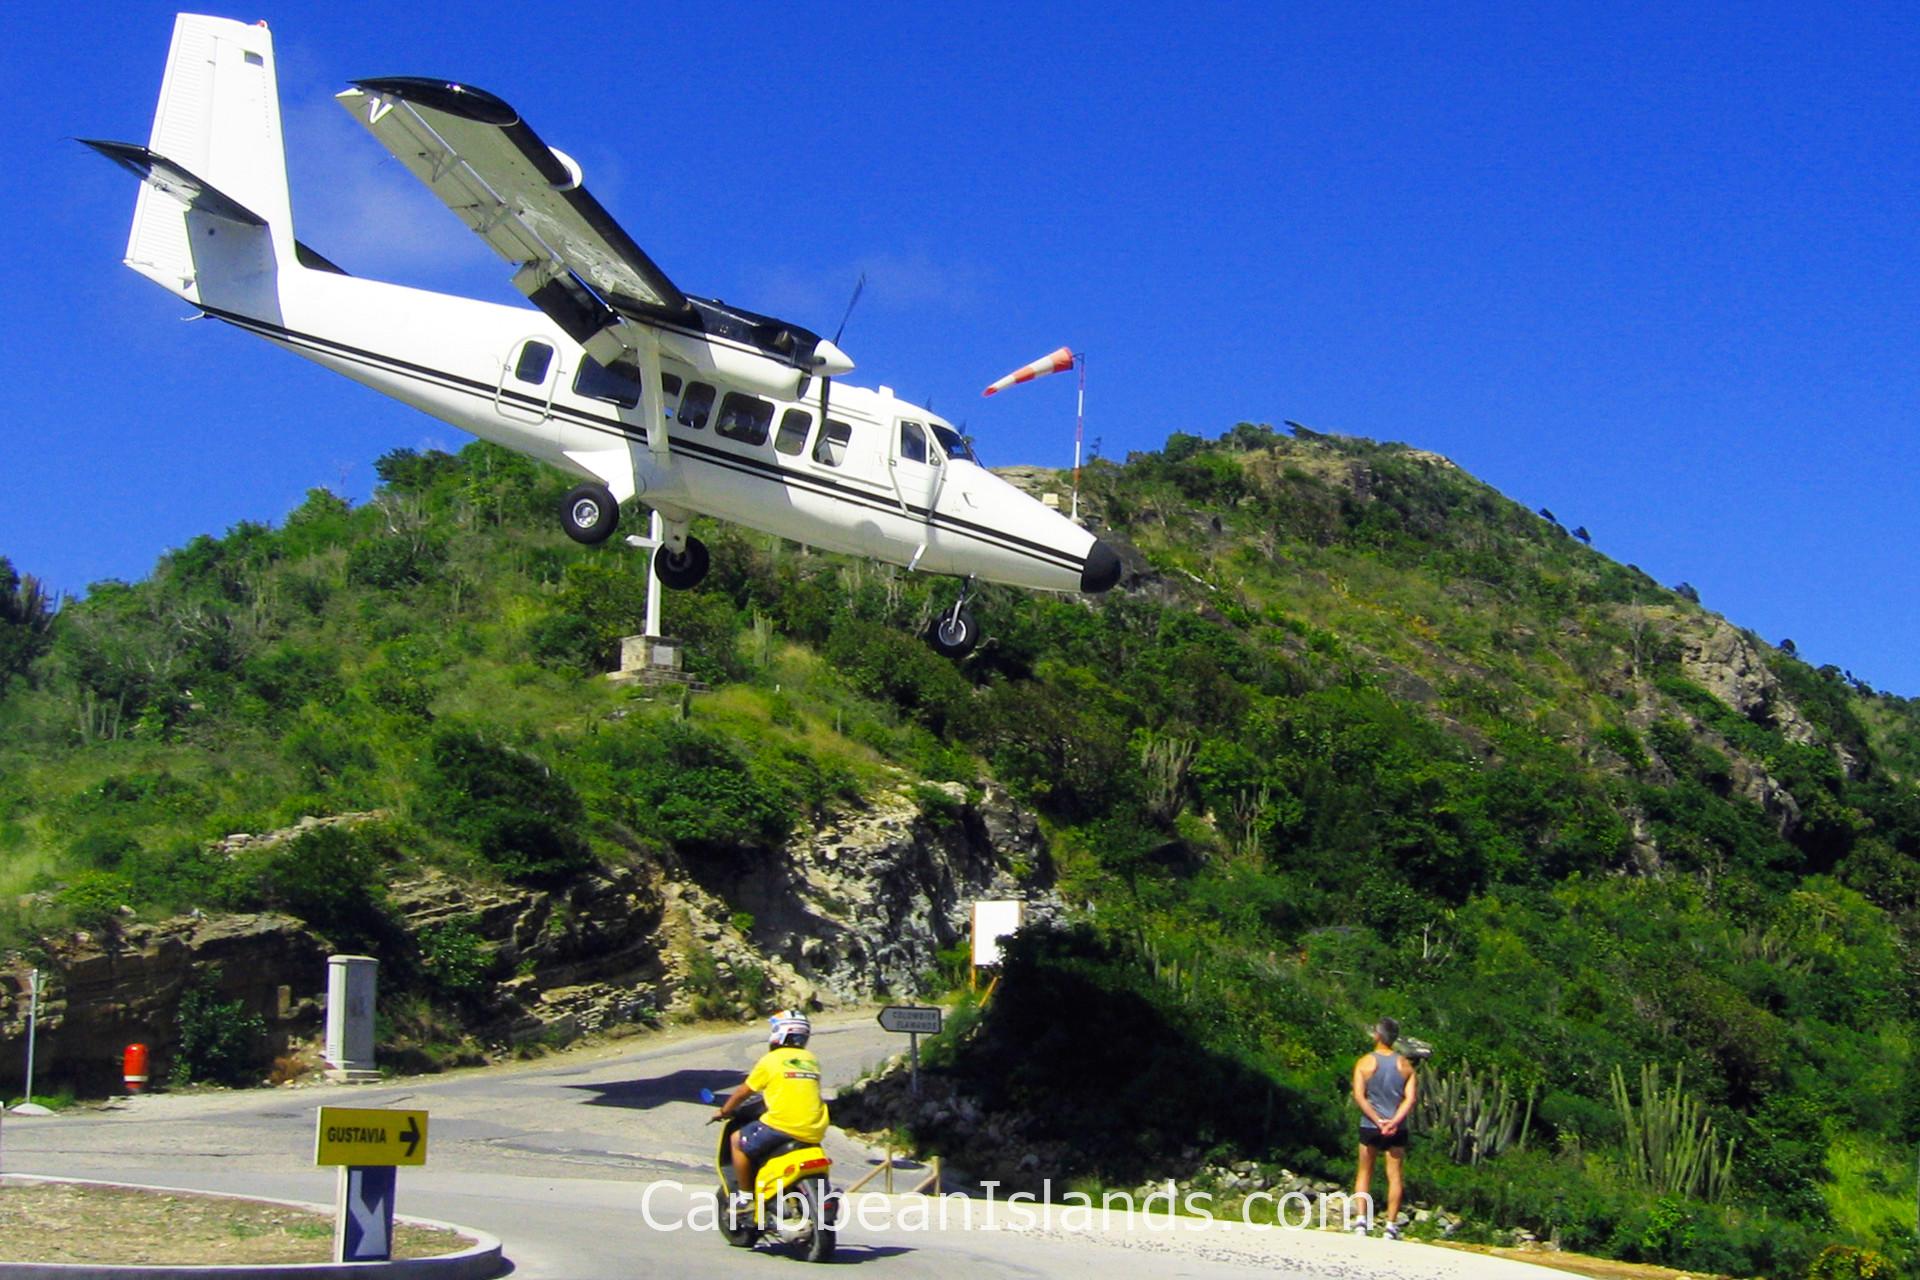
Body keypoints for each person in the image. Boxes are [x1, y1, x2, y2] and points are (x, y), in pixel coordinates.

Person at [713, 1010, 830, 1212]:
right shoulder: (811, 1060)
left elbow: (743, 1092)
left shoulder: (771, 1059)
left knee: (736, 1140)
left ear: (780, 1033)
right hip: (814, 1129)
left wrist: (725, 1110)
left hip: (783, 1126)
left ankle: (745, 1197)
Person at [1350, 1017, 1417, 1239]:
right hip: (1396, 1128)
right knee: (1395, 1176)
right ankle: (1390, 1225)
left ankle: (1361, 1220)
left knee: (1364, 1171)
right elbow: (1410, 1099)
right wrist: (1393, 1121)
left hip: (1370, 1125)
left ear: (1378, 1036)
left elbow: (1359, 1096)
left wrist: (1377, 1120)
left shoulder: (1364, 1063)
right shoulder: (1406, 1066)